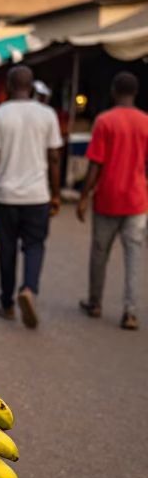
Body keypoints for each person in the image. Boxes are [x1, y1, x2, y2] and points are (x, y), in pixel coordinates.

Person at [0, 65, 62, 329]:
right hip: (38, 195)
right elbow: (55, 157)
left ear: (9, 86)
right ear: (32, 85)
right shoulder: (47, 114)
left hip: (6, 196)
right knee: (35, 246)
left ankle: (7, 304)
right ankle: (29, 290)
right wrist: (56, 194)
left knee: (8, 249)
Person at [77, 71, 148, 330]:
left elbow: (95, 164)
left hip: (108, 198)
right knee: (133, 256)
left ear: (113, 91)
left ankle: (95, 302)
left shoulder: (104, 121)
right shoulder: (146, 122)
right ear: (136, 92)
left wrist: (83, 196)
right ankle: (130, 312)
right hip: (137, 201)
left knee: (99, 252)